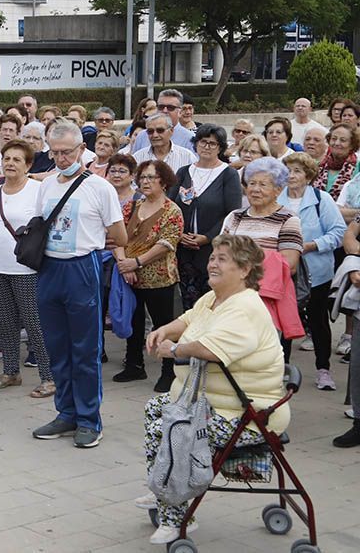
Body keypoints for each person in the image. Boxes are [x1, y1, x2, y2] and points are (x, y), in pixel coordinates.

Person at [140, 235, 288, 546]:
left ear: (245, 269)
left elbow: (210, 349)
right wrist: (164, 330)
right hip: (209, 403)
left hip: (246, 414)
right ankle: (165, 487)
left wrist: (174, 349)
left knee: (169, 430)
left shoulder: (245, 306)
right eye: (212, 257)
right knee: (156, 408)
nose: (212, 263)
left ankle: (177, 515)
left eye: (222, 258)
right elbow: (189, 318)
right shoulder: (215, 298)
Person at [31, 121, 126, 449]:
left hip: (82, 267)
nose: (59, 158)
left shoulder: (100, 188)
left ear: (81, 150)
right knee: (57, 346)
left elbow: (120, 235)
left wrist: (93, 241)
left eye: (66, 152)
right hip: (49, 268)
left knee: (84, 349)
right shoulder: (46, 186)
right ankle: (66, 412)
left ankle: (89, 419)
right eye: (54, 152)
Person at [0, 139, 54, 397]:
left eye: (17, 159)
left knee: (34, 324)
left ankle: (49, 377)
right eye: (7, 158)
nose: (10, 163)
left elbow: (46, 228)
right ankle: (11, 372)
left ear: (28, 164)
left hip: (27, 269)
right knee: (5, 323)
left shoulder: (37, 190)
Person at [222, 158, 305, 358]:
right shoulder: (235, 216)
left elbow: (289, 263)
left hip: (266, 300)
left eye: (263, 184)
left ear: (278, 190)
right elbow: (220, 253)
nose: (255, 189)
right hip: (231, 297)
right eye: (252, 183)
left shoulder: (288, 219)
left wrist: (240, 264)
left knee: (265, 355)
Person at [113, 160, 183, 392]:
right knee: (133, 321)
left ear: (163, 181)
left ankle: (168, 371)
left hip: (159, 277)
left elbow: (166, 244)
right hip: (130, 276)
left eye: (151, 177)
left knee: (164, 324)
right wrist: (125, 264)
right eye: (142, 177)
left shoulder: (172, 211)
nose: (145, 181)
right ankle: (134, 364)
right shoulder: (131, 207)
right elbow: (116, 237)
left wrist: (137, 262)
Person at [279, 152, 346, 389]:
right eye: (288, 170)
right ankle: (282, 368)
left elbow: (338, 232)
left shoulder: (321, 199)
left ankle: (323, 369)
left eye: (297, 171)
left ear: (308, 175)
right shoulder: (276, 199)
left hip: (317, 272)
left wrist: (312, 245)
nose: (292, 175)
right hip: (284, 270)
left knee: (318, 320)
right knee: (284, 320)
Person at [169, 124, 242, 311]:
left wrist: (207, 237)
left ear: (220, 147)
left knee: (211, 300)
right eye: (203, 142)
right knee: (187, 301)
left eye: (213, 143)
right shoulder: (184, 172)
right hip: (183, 248)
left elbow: (232, 213)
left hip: (212, 248)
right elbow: (169, 206)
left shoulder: (228, 174)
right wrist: (180, 234)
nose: (207, 147)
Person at [131, 89, 195, 154]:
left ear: (180, 112)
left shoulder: (189, 138)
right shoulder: (142, 136)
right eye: (161, 107)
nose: (165, 111)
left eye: (170, 107)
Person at [314, 123, 359, 201]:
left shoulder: (358, 167)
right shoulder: (319, 166)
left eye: (343, 140)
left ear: (352, 145)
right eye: (334, 139)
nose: (337, 143)